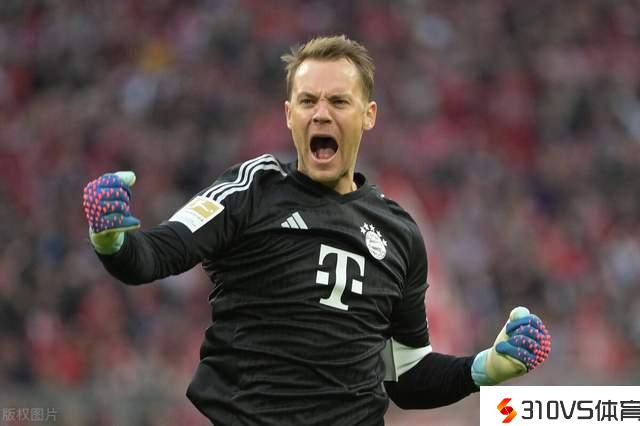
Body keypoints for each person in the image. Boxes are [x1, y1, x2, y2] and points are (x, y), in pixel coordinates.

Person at [82, 35, 550, 425]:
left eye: (338, 101)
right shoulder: (252, 189)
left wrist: (483, 368)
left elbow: (406, 375)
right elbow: (154, 255)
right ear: (290, 115)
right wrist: (112, 239)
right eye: (308, 101)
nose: (321, 114)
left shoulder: (399, 232)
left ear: (368, 115)